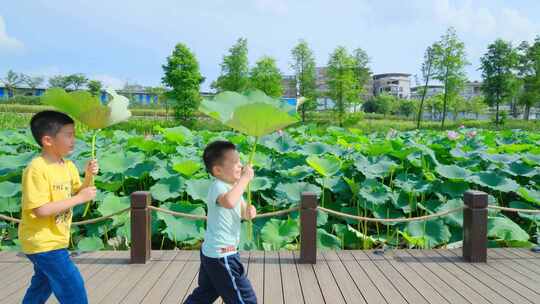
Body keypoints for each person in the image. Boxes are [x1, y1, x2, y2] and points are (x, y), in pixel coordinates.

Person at [18, 110, 99, 304]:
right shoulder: (37, 169)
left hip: (56, 239)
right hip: (42, 242)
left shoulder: (68, 165)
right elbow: (41, 209)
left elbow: (80, 191)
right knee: (73, 287)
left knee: (42, 285)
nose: (74, 140)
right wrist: (79, 198)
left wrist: (88, 175)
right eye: (69, 135)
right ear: (48, 140)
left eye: (74, 134)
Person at [184, 140, 258, 304]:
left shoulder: (233, 187)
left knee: (205, 294)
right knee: (246, 300)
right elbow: (229, 202)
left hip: (214, 253)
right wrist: (244, 180)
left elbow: (242, 212)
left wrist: (249, 212)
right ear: (217, 170)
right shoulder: (218, 186)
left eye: (240, 161)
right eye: (235, 163)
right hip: (222, 254)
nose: (240, 165)